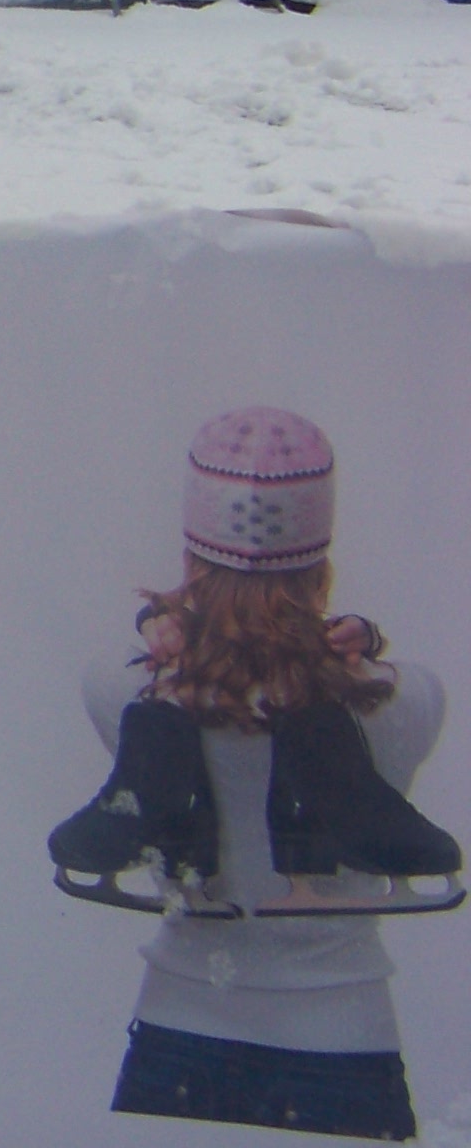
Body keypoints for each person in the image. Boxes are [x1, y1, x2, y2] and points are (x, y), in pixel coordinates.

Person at [48, 408, 456, 1140]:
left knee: (160, 722)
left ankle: (167, 755)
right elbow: (398, 679)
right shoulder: (404, 697)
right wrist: (356, 640)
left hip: (182, 1024)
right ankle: (317, 753)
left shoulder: (116, 688)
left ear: (194, 551)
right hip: (341, 1037)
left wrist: (164, 626)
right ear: (319, 553)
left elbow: (135, 657)